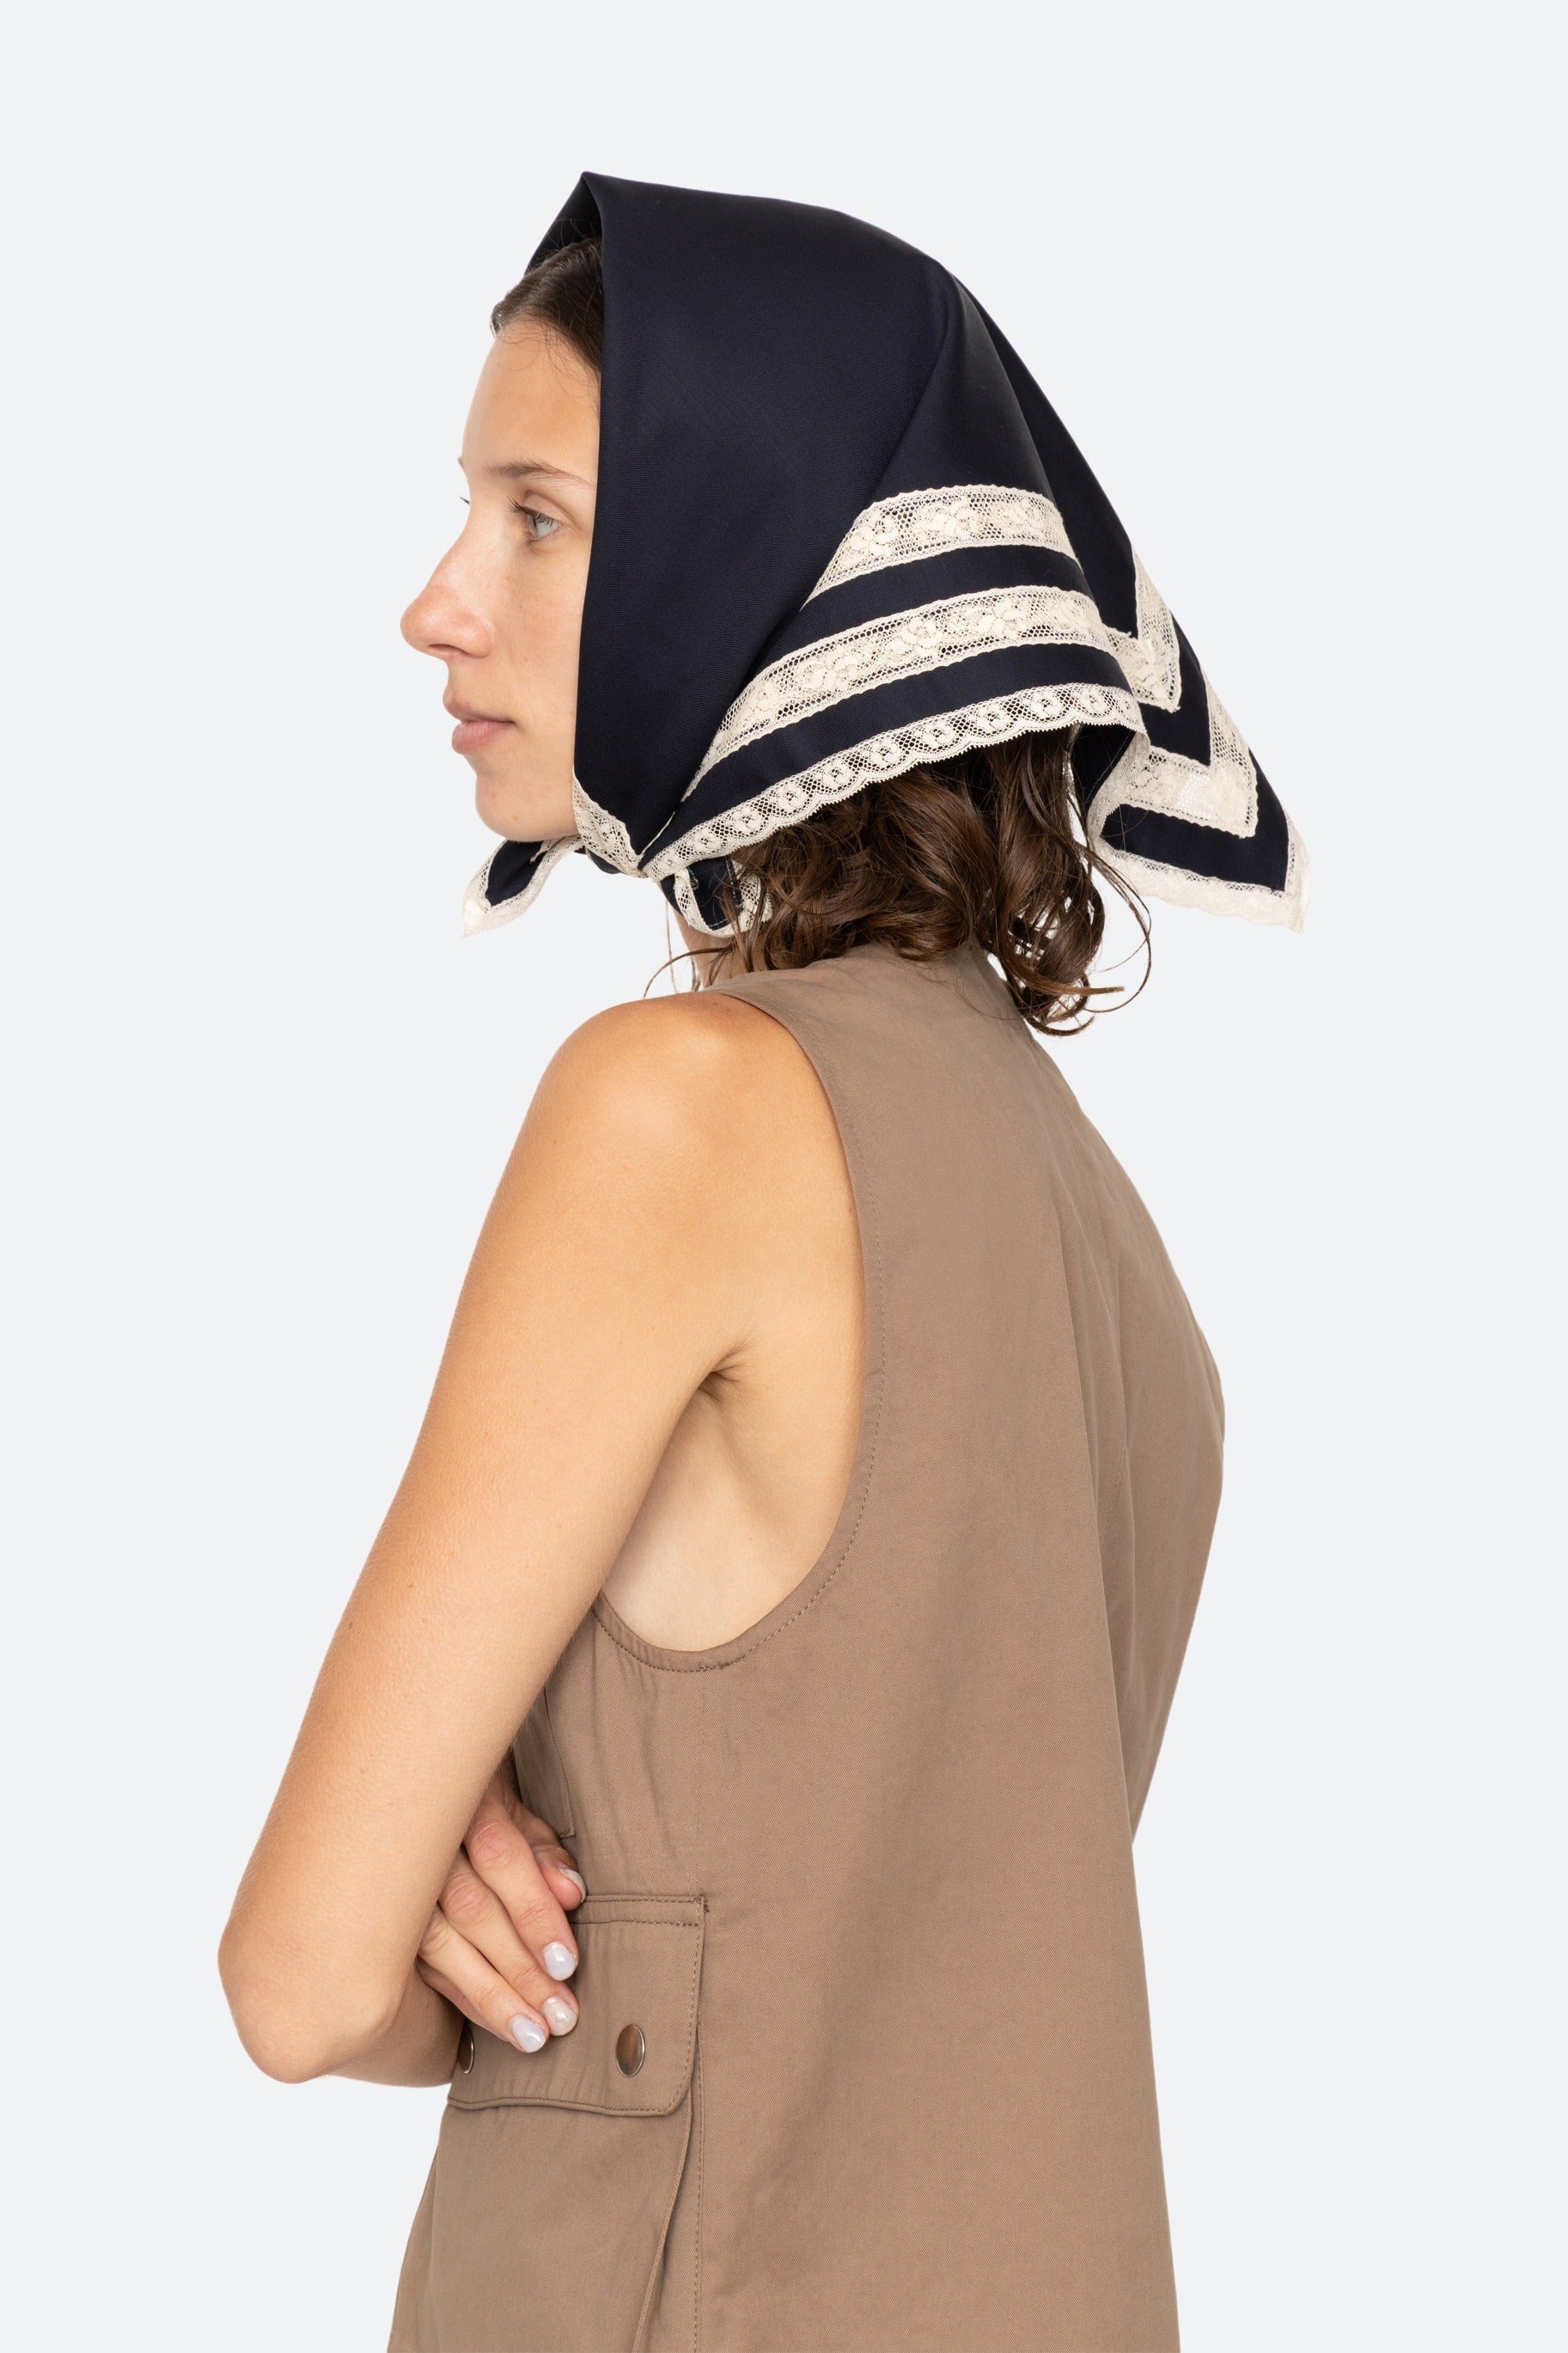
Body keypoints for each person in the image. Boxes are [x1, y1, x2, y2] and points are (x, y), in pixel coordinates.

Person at [220, 174, 1306, 2353]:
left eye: (538, 518)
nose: (438, 604)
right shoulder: (1111, 1250)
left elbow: (299, 1976)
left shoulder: (680, 1109)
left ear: (754, 571)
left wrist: (484, 1920)